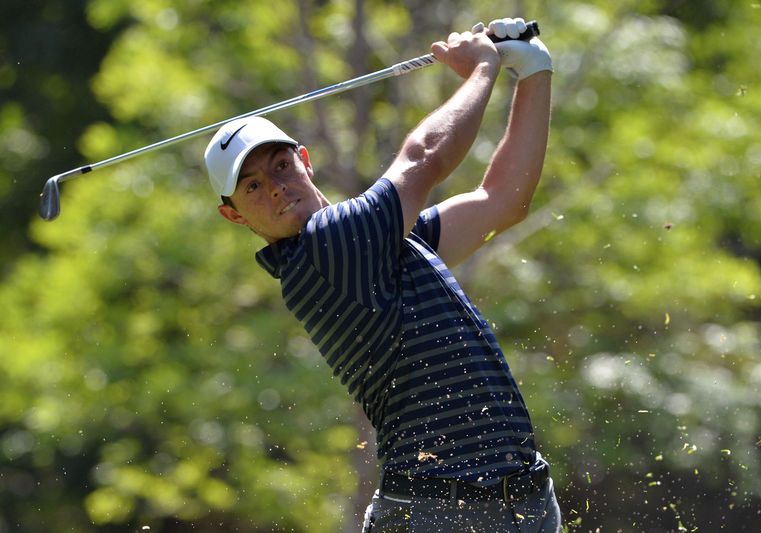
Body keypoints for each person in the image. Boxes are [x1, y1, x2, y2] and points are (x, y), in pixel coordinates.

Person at [204, 16, 558, 533]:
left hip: (519, 499)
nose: (275, 187)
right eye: (252, 187)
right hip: (439, 513)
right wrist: (482, 68)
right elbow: (425, 158)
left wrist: (534, 72)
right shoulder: (327, 247)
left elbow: (503, 200)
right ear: (234, 215)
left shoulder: (382, 246)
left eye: (280, 166)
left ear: (304, 160)